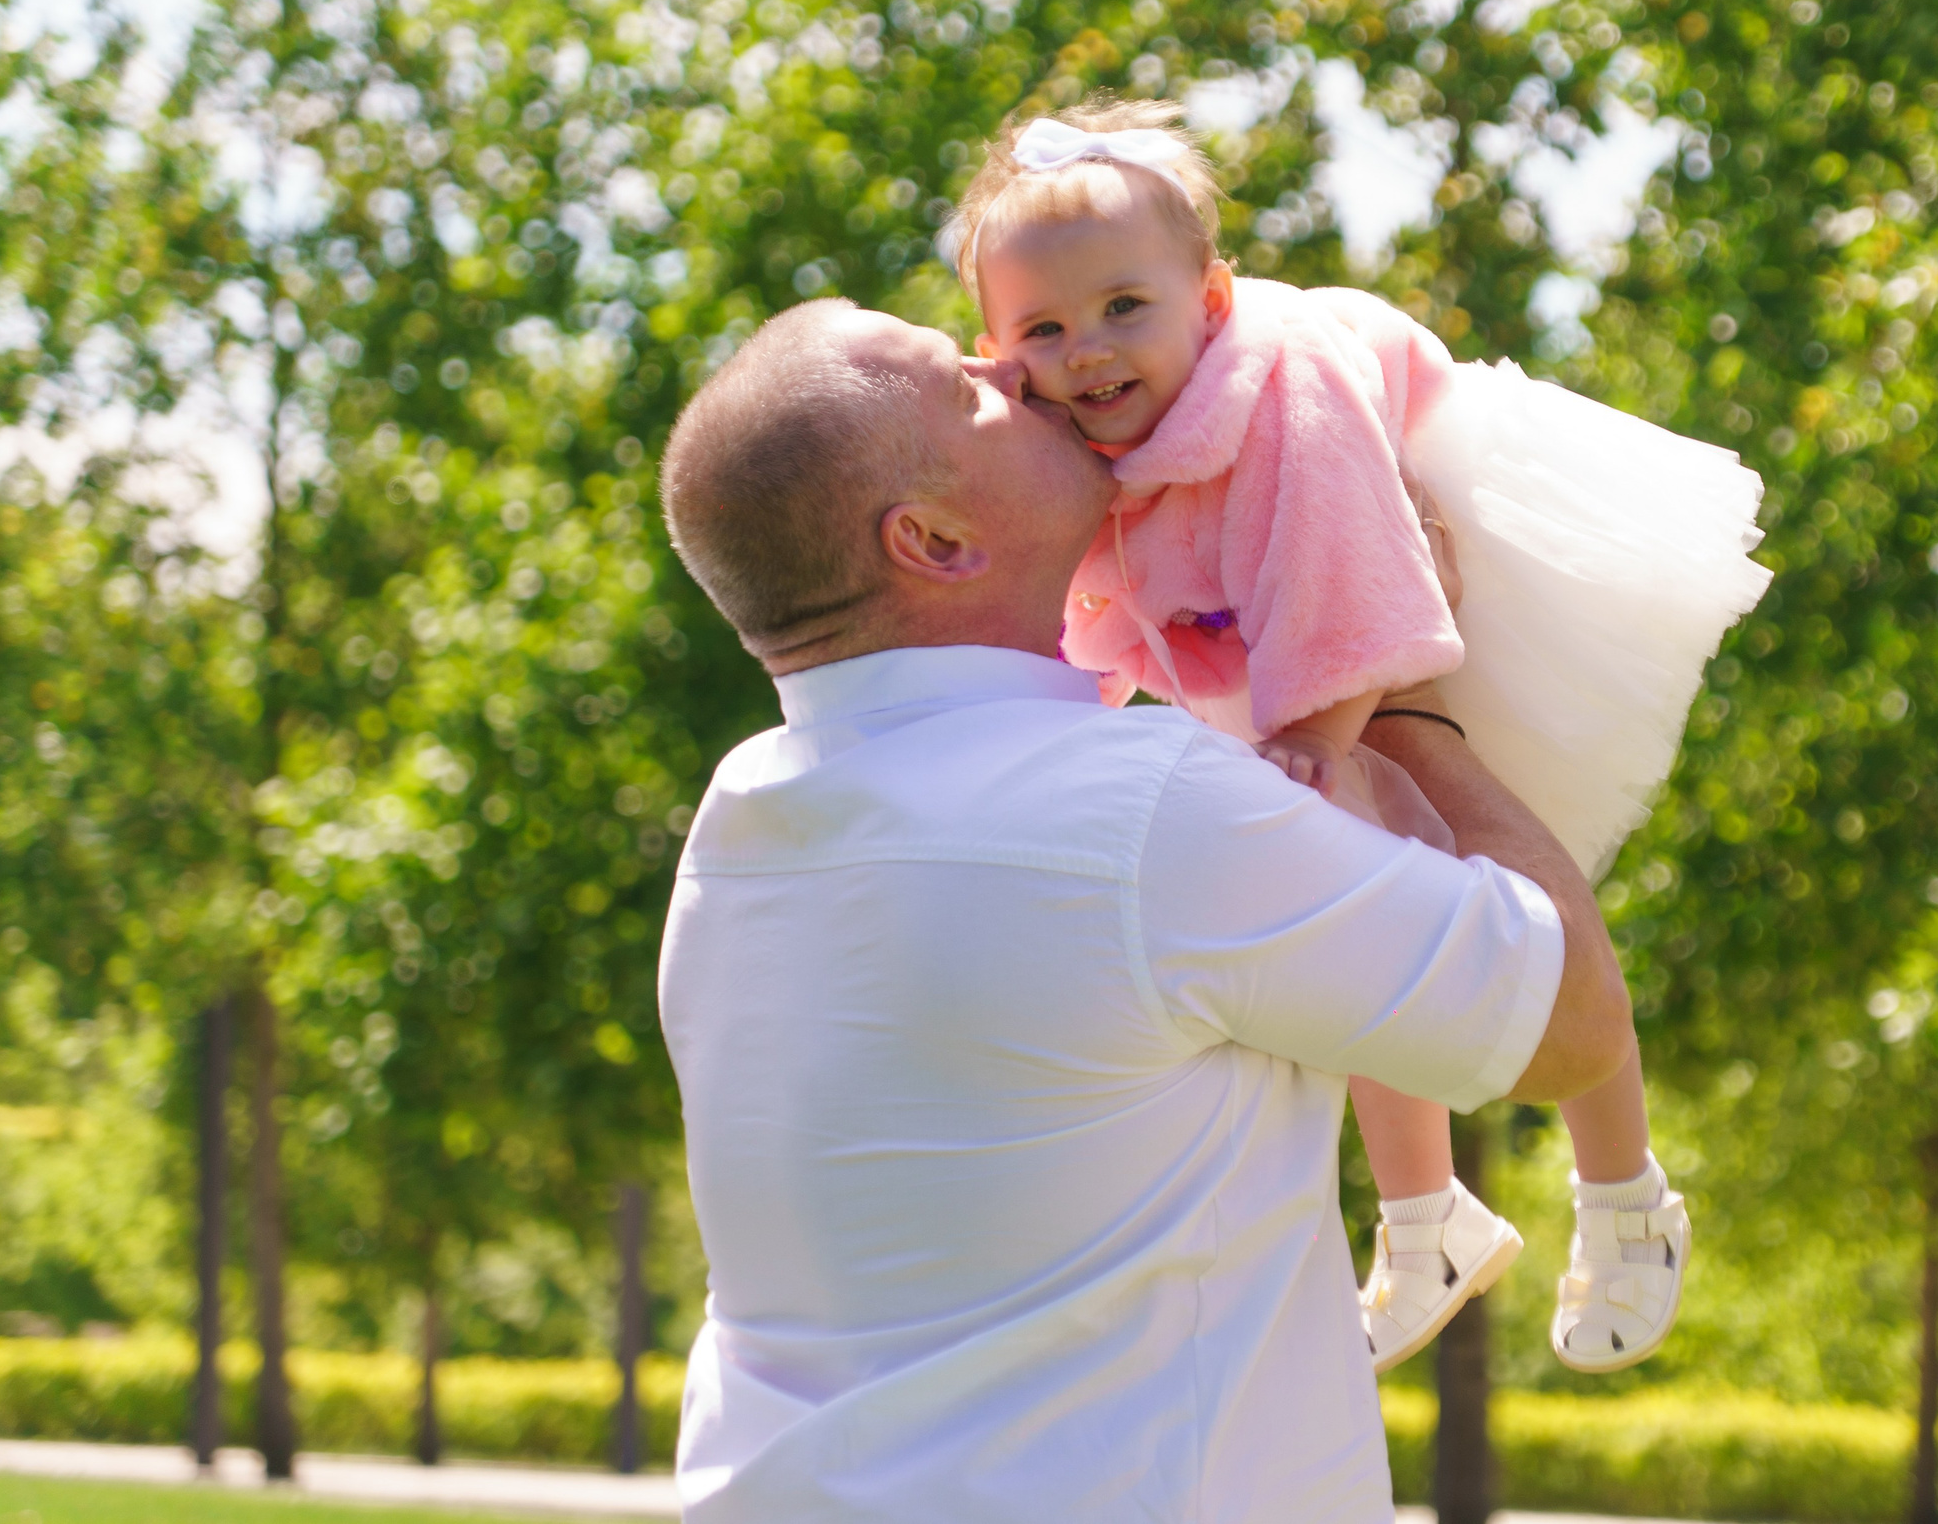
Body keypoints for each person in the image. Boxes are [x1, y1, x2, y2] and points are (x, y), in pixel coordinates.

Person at [654, 299, 1635, 1521]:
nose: (1008, 364)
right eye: (964, 389)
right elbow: (1571, 1024)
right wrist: (1403, 702)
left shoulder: (737, 821)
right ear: (934, 540)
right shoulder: (1144, 811)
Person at [949, 99, 1771, 1374]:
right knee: (1353, 932)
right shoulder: (1067, 437)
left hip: (1428, 586)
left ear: (1210, 300)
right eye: (1042, 331)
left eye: (1125, 308)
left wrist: (1323, 735)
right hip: (1270, 641)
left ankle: (1625, 1194)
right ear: (996, 354)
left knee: (1517, 890)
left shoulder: (1282, 384)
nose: (1089, 351)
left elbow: (1355, 570)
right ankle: (1424, 1215)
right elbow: (1090, 611)